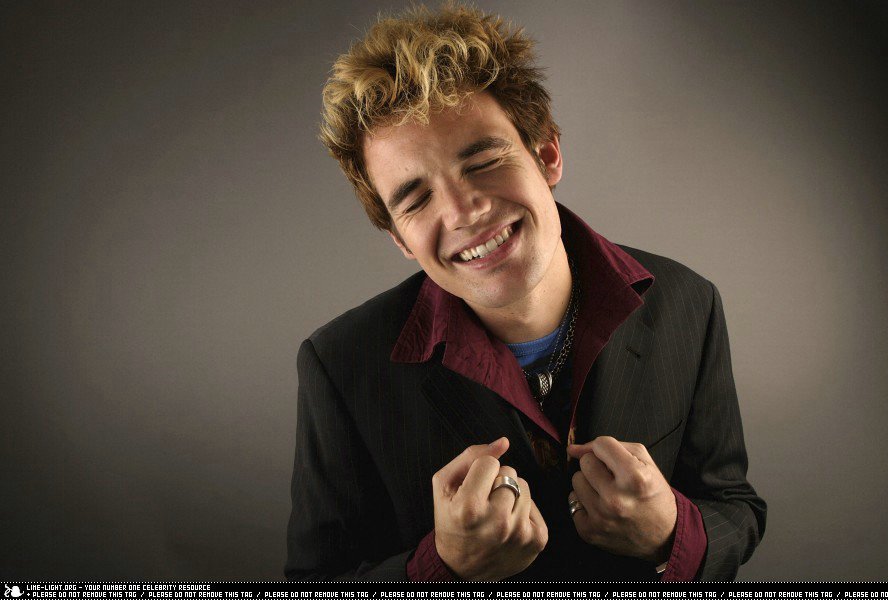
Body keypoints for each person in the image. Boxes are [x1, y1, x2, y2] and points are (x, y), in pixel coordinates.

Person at [285, 3, 766, 581]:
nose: (463, 212)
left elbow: (733, 504)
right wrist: (441, 569)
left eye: (483, 162)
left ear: (547, 155)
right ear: (400, 240)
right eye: (416, 200)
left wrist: (671, 534)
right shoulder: (339, 365)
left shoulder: (690, 302)